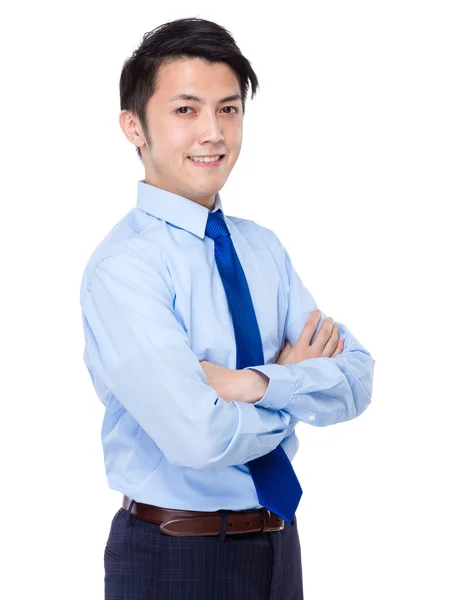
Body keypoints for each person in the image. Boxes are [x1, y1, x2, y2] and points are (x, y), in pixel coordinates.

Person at [79, 16, 375, 600]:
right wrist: (294, 384)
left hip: (279, 543)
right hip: (175, 554)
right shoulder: (126, 269)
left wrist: (248, 383)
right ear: (134, 126)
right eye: (186, 110)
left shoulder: (262, 247)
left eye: (229, 109)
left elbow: (357, 380)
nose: (212, 132)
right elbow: (197, 437)